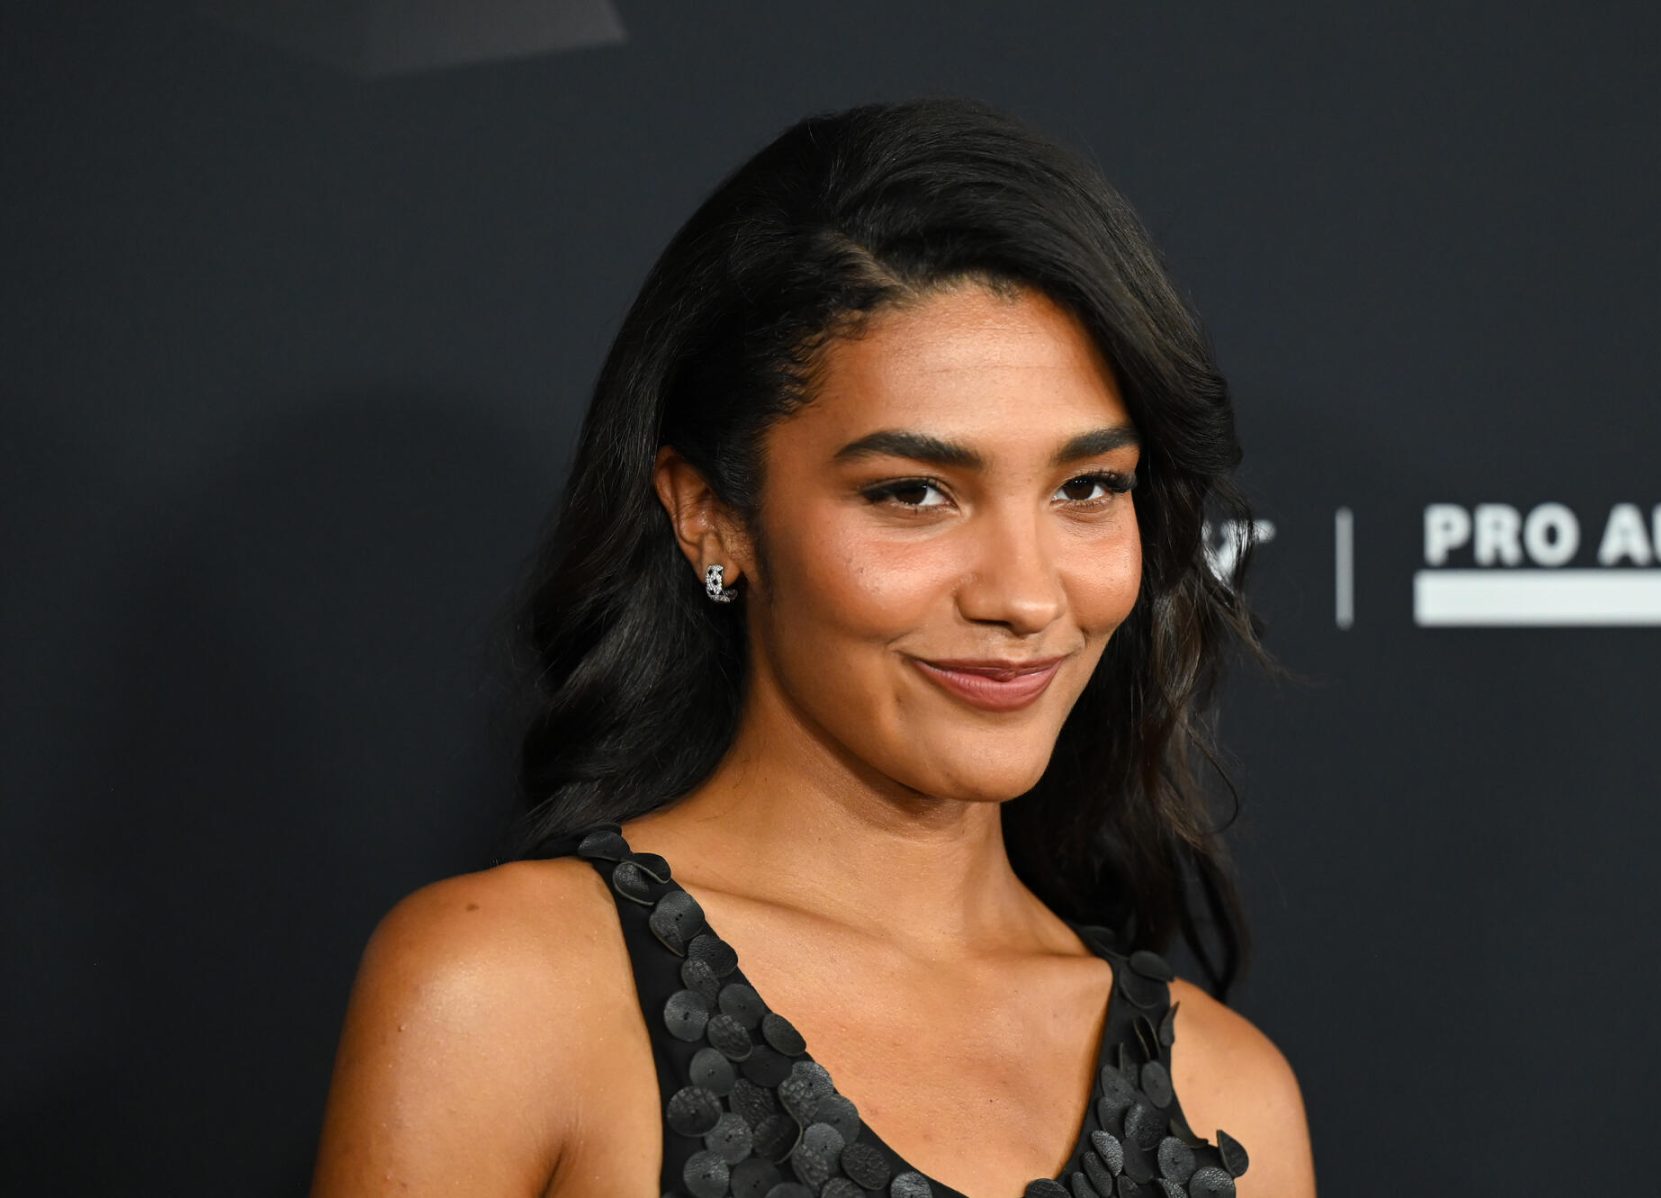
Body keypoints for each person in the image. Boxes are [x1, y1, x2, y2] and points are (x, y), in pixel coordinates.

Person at [310, 96, 1316, 1198]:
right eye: (914, 493)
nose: (1027, 596)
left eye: (1087, 487)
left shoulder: (1230, 1094)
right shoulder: (510, 995)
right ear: (711, 515)